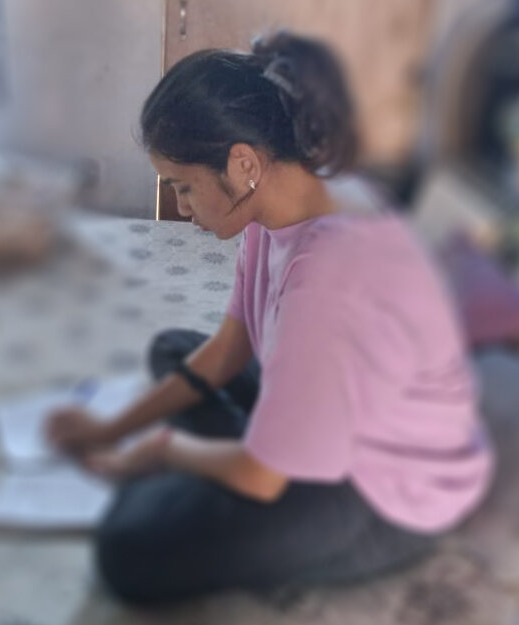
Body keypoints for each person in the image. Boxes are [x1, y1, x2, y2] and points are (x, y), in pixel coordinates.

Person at [46, 31, 495, 606]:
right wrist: (108, 429)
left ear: (242, 164)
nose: (180, 207)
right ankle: (252, 449)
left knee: (126, 552)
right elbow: (228, 349)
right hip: (341, 407)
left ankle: (241, 456)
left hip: (389, 489)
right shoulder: (286, 201)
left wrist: (162, 450)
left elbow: (262, 478)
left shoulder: (329, 277)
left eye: (184, 187)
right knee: (173, 350)